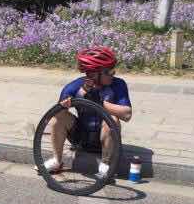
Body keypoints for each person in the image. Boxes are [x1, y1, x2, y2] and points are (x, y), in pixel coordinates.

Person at [42, 46, 132, 176]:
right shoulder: (75, 86)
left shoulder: (118, 84)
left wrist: (100, 104)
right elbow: (53, 116)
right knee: (58, 118)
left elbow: (127, 114)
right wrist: (63, 107)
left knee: (112, 119)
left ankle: (105, 163)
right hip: (80, 137)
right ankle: (57, 160)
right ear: (94, 74)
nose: (113, 74)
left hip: (106, 139)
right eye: (109, 71)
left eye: (113, 70)